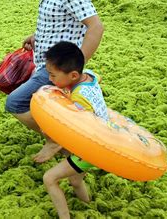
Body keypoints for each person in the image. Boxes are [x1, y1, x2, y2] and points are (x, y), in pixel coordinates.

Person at [5, 0, 104, 163]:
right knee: (42, 105)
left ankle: (56, 139)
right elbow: (59, 22)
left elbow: (96, 27)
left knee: (15, 102)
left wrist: (73, 69)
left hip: (57, 68)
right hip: (45, 64)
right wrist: (36, 37)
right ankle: (67, 149)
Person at [42, 41, 108, 219]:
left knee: (49, 179)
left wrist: (54, 145)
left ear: (72, 75)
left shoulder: (79, 101)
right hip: (103, 141)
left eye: (53, 75)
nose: (50, 79)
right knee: (75, 179)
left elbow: (76, 127)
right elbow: (98, 78)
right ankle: (86, 203)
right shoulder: (89, 76)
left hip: (91, 149)